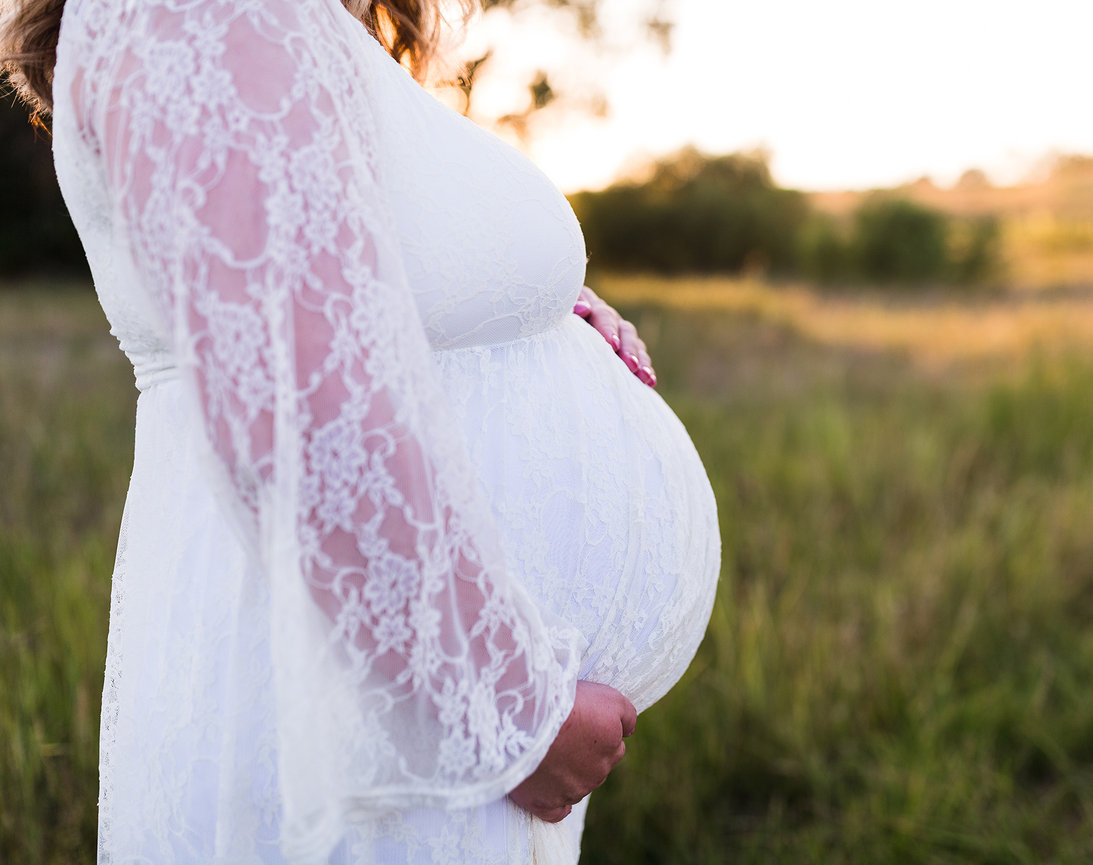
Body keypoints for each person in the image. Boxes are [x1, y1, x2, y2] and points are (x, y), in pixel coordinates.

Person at [0, 0, 721, 862]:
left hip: (411, 721)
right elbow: (298, 411)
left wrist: (536, 306)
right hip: (379, 721)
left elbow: (321, 278)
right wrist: (506, 713)